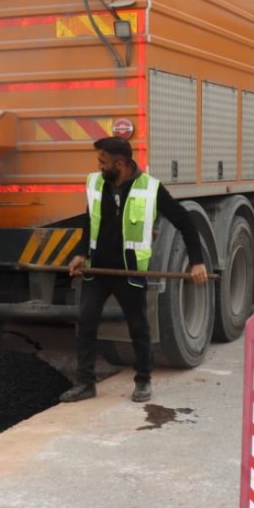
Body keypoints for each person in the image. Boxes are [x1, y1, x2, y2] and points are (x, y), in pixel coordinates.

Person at [59, 136, 208, 404]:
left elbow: (184, 222)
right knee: (86, 321)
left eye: (103, 161)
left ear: (121, 163)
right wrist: (81, 253)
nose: (99, 166)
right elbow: (89, 218)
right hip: (98, 269)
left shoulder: (151, 188)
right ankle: (85, 383)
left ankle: (142, 381)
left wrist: (197, 261)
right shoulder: (96, 182)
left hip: (129, 270)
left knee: (138, 326)